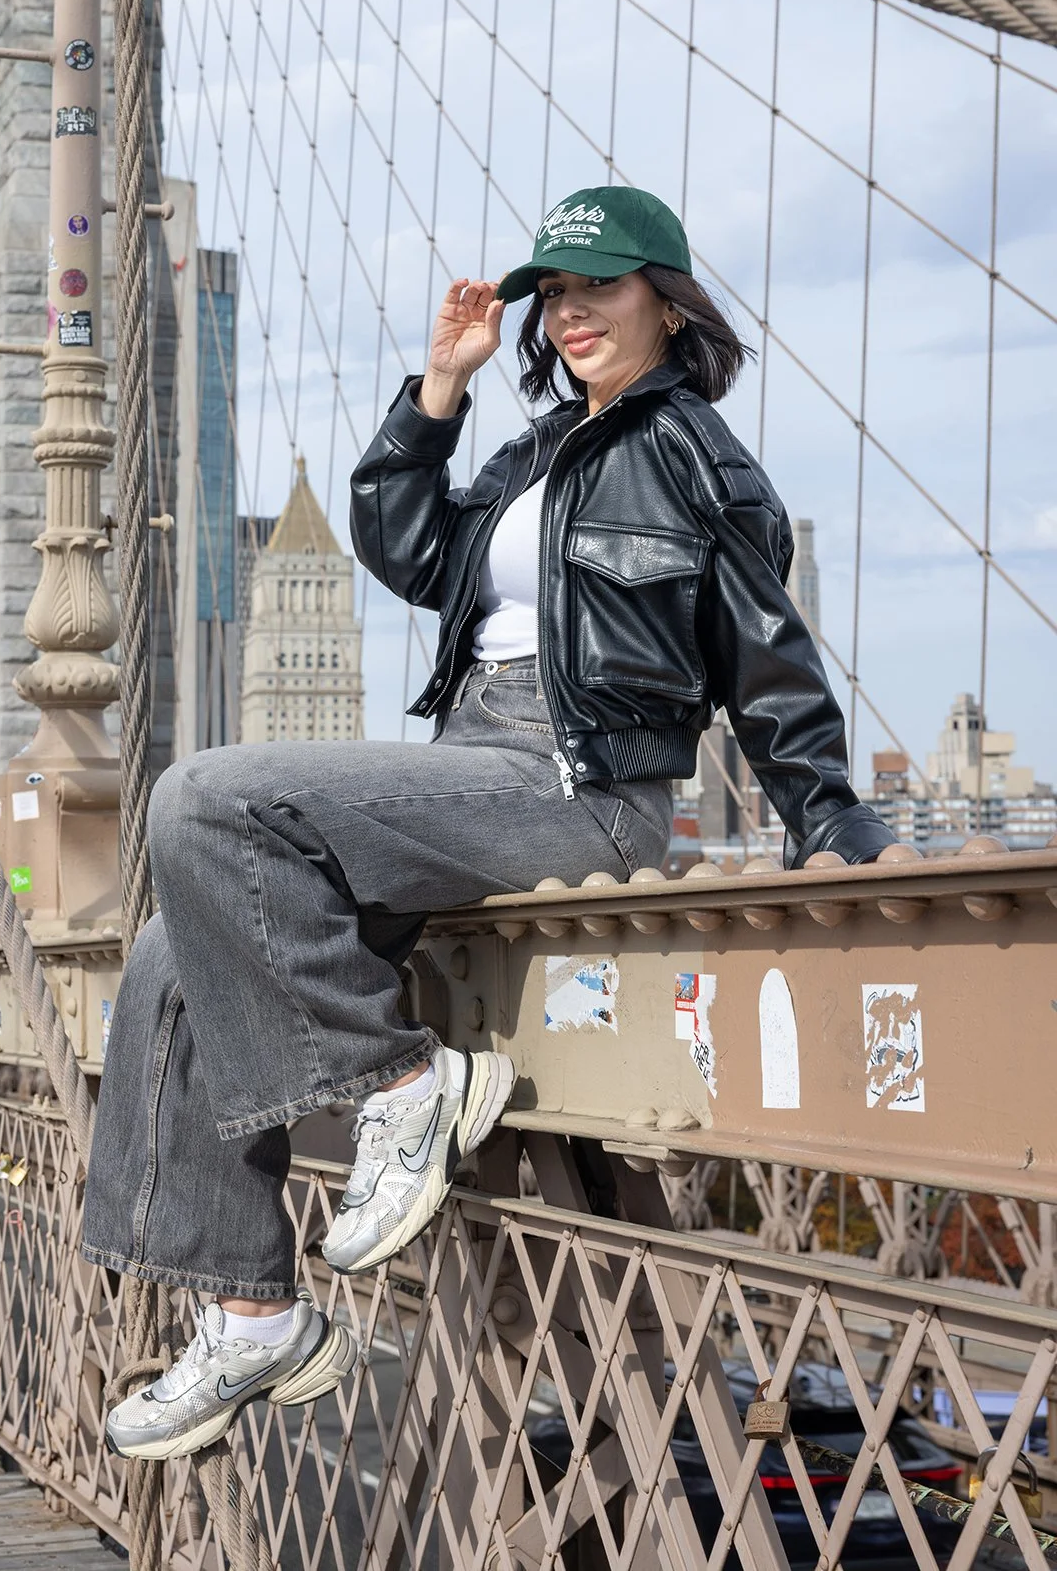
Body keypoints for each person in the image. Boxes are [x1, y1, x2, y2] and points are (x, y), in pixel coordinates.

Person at [88, 184, 891, 1461]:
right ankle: (253, 1308)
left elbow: (767, 659)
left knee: (203, 798)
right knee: (171, 953)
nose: (571, 311)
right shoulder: (532, 452)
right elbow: (407, 548)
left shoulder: (695, 453)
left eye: (601, 286)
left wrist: (837, 825)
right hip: (471, 767)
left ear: (668, 304)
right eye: (555, 293)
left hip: (583, 789)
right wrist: (438, 390)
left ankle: (400, 1082)